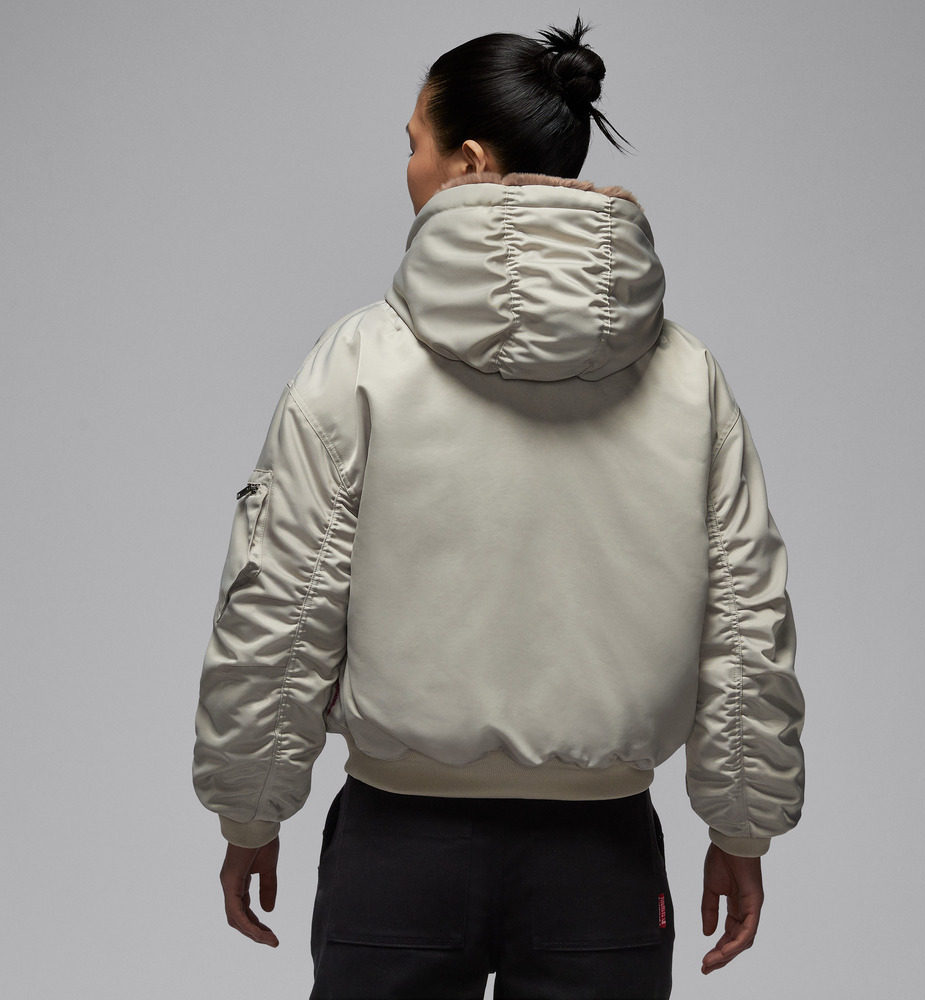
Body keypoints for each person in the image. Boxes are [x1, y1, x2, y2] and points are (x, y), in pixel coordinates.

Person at [192, 15, 805, 999]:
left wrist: (250, 808)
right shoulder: (688, 379)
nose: (406, 168)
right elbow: (745, 619)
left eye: (415, 144)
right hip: (602, 862)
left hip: (399, 853)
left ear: (470, 163)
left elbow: (282, 604)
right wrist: (742, 826)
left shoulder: (357, 363)